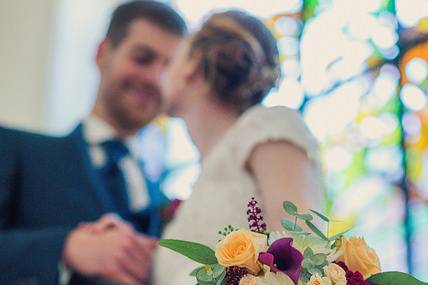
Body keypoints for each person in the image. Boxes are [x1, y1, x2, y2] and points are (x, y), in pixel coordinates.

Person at [0, 1, 186, 284]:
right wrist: (65, 247)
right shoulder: (17, 150)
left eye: (168, 69)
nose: (155, 79)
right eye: (142, 58)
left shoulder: (159, 192)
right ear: (102, 54)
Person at [152, 10, 323, 284]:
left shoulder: (266, 127)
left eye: (170, 61)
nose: (158, 74)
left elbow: (304, 251)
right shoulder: (198, 184)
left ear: (191, 65)